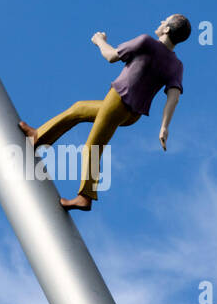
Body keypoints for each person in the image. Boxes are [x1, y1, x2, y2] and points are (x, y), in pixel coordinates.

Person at [18, 14, 190, 211]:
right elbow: (174, 97)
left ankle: (85, 196)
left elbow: (111, 56)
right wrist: (164, 127)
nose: (160, 22)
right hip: (132, 115)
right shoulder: (177, 65)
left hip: (118, 100)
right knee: (79, 109)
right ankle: (39, 137)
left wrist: (100, 41)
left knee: (93, 146)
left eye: (164, 21)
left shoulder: (146, 42)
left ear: (167, 29)